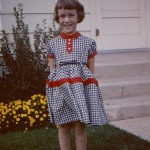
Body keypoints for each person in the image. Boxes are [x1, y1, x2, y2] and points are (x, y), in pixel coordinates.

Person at [46, 0, 108, 149]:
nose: (66, 20)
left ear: (78, 16)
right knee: (63, 125)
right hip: (61, 88)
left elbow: (90, 71)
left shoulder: (89, 42)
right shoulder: (52, 43)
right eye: (62, 16)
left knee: (79, 126)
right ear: (58, 18)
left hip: (80, 88)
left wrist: (87, 91)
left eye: (71, 15)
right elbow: (52, 71)